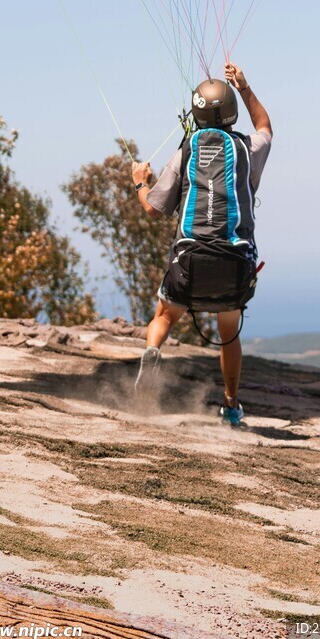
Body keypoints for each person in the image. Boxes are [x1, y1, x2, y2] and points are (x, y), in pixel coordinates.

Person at [131, 61, 272, 425]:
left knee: (164, 315)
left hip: (189, 262)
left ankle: (152, 349)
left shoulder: (186, 152)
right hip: (233, 262)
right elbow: (265, 127)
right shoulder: (246, 150)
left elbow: (152, 208)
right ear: (230, 113)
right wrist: (244, 86)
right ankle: (230, 404)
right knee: (229, 333)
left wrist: (139, 181)